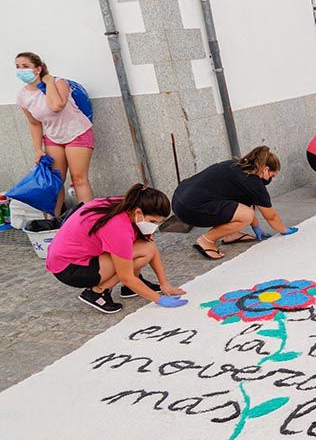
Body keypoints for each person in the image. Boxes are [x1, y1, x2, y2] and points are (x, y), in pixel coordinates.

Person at [45, 184, 187, 313]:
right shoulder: (118, 227)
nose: (155, 226)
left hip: (71, 256)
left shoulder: (128, 204)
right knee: (142, 254)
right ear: (138, 213)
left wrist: (164, 284)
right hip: (70, 268)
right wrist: (158, 299)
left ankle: (133, 287)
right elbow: (126, 277)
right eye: (153, 222)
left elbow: (150, 243)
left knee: (146, 246)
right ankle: (97, 292)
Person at [171, 146, 297, 260]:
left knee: (243, 211)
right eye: (272, 175)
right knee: (246, 215)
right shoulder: (253, 182)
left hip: (180, 199)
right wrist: (283, 229)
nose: (270, 179)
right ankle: (207, 240)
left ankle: (230, 235)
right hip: (190, 208)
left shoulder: (236, 166)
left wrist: (256, 227)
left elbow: (245, 202)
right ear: (265, 169)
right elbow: (271, 216)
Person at [15, 52, 94, 216]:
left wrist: (49, 82)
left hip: (76, 132)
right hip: (53, 137)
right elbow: (34, 123)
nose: (20, 70)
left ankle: (88, 221)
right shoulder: (22, 96)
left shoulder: (59, 82)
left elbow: (57, 105)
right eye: (17, 67)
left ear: (37, 69)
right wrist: (38, 149)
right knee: (55, 182)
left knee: (79, 178)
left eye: (25, 66)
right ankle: (54, 222)